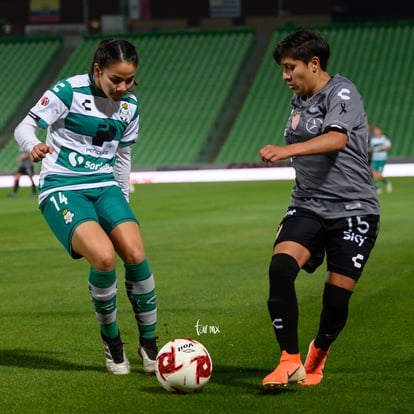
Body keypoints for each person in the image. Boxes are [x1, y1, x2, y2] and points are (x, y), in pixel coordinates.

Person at [14, 39, 158, 375]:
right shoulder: (68, 91)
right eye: (115, 80)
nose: (123, 87)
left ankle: (149, 345)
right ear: (97, 70)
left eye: (129, 80)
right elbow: (25, 125)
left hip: (104, 186)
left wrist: (122, 197)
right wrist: (33, 144)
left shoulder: (130, 107)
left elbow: (123, 155)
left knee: (136, 254)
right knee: (104, 257)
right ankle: (112, 342)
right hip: (62, 186)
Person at [258, 29, 380, 389]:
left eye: (290, 67)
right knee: (280, 268)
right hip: (308, 205)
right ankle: (289, 360)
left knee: (335, 300)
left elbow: (337, 138)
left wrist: (286, 151)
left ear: (314, 64)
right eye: (282, 68)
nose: (285, 76)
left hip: (353, 209)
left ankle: (318, 353)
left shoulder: (342, 92)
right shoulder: (300, 99)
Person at [370, 125, 392, 193]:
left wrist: (382, 148)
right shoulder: (372, 139)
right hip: (375, 158)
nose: (376, 132)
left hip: (381, 158)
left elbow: (389, 147)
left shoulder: (384, 138)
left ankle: (387, 182)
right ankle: (378, 188)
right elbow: (371, 148)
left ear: (380, 131)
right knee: (373, 174)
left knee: (378, 174)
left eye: (377, 130)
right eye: (375, 130)